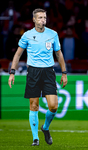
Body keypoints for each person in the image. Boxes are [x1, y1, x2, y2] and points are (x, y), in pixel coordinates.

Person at [8, 8, 68, 146]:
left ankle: (45, 127)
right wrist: (12, 72)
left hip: (48, 72)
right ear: (34, 19)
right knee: (33, 106)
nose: (43, 20)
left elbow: (59, 54)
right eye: (40, 18)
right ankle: (36, 138)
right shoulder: (27, 35)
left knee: (53, 106)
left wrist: (64, 73)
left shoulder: (53, 34)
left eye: (45, 18)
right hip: (33, 72)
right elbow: (17, 54)